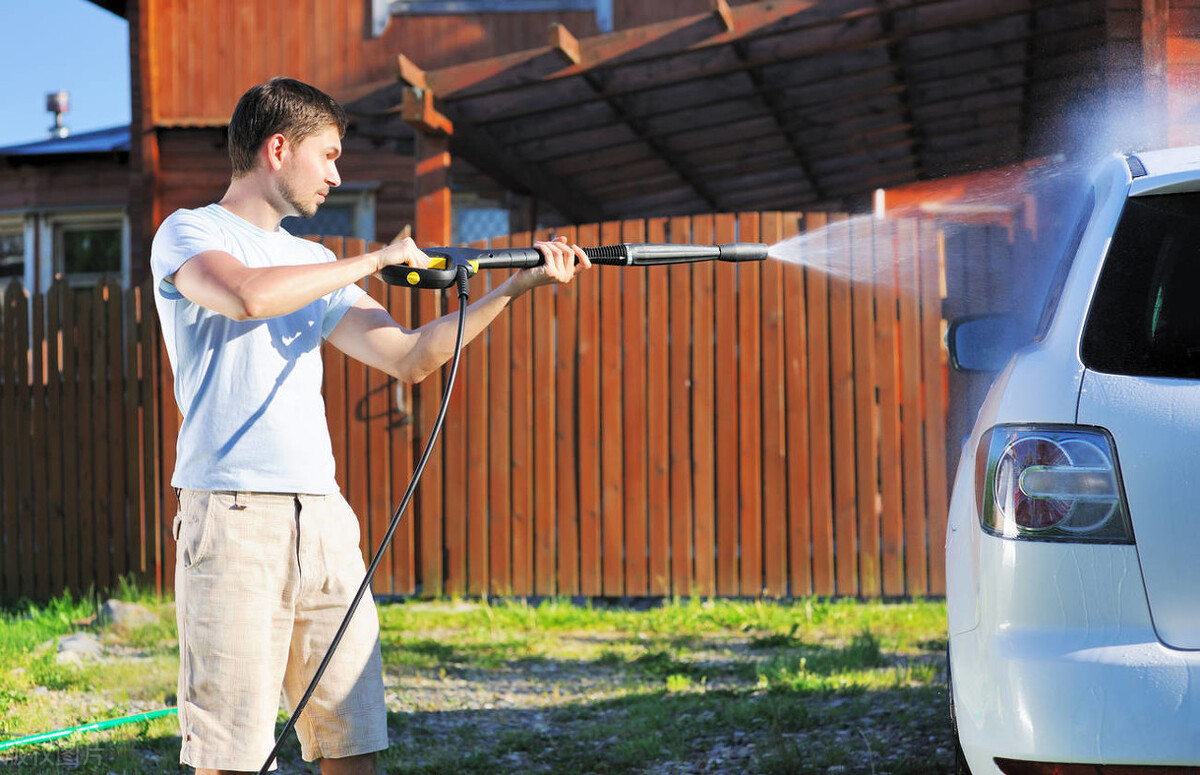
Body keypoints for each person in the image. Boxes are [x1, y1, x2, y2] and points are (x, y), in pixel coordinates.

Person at [150, 76, 590, 775]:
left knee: (353, 746)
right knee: (233, 758)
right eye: (326, 156)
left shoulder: (317, 262)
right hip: (231, 518)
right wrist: (378, 260)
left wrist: (512, 291)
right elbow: (244, 296)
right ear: (277, 148)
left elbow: (410, 356)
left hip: (325, 520)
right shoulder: (189, 232)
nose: (337, 173)